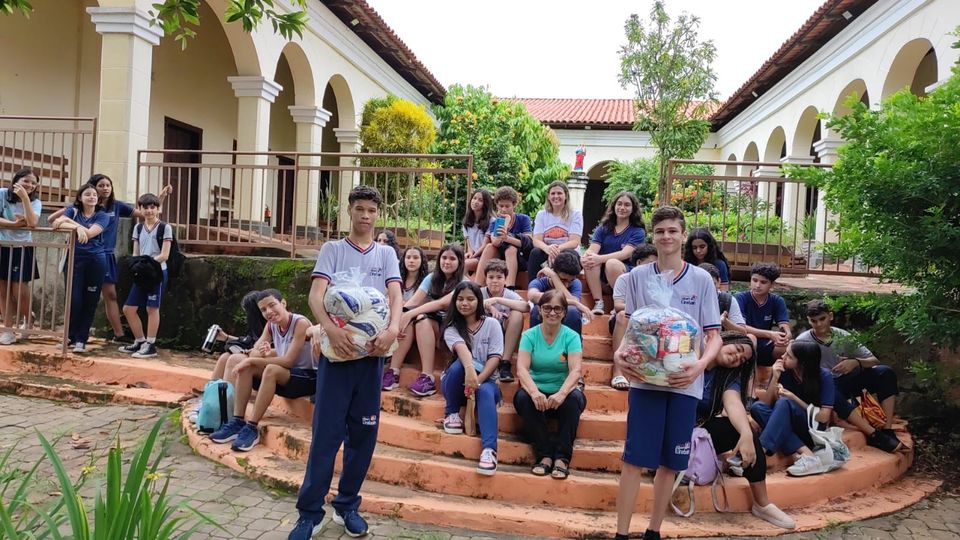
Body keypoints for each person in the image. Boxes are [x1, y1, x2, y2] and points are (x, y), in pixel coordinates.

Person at [289, 185, 401, 539]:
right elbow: (316, 295)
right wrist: (329, 330)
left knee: (364, 433)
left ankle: (347, 505)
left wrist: (393, 329)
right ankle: (310, 513)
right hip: (337, 359)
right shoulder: (333, 250)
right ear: (349, 211)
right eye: (360, 209)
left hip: (371, 359)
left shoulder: (385, 255)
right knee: (327, 434)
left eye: (371, 210)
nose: (366, 216)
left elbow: (396, 296)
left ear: (377, 214)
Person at [612, 205, 721, 540]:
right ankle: (621, 534)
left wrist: (700, 366)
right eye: (660, 231)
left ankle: (653, 531)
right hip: (646, 383)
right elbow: (629, 328)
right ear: (652, 236)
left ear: (683, 234)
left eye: (673, 230)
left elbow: (713, 335)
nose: (666, 237)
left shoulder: (701, 279)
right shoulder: (636, 278)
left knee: (671, 462)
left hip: (684, 384)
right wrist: (620, 357)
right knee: (634, 459)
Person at [47, 174, 172, 343]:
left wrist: (161, 197)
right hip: (80, 255)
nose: (105, 188)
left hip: (105, 255)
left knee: (110, 294)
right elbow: (53, 219)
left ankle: (118, 334)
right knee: (77, 297)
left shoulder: (116, 206)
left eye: (108, 185)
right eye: (101, 185)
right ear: (91, 189)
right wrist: (75, 226)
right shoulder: (78, 207)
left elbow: (146, 213)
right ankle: (72, 335)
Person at [699, 332, 795, 529]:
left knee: (744, 432)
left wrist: (746, 434)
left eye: (742, 360)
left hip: (696, 433)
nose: (737, 358)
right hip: (670, 428)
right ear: (724, 341)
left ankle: (762, 504)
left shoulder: (726, 377)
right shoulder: (693, 354)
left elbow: (733, 402)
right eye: (738, 350)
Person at [210, 289, 315, 452]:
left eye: (272, 305)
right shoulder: (271, 325)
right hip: (287, 376)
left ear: (284, 303)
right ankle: (237, 421)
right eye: (264, 310)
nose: (269, 312)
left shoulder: (299, 323)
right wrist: (262, 353)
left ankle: (252, 427)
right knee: (245, 364)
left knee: (268, 369)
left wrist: (255, 358)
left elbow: (288, 361)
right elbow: (255, 350)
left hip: (308, 377)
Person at [796, 299, 903, 452]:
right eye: (814, 321)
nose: (819, 324)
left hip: (846, 382)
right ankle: (873, 435)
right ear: (808, 321)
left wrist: (855, 362)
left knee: (885, 372)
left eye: (822, 319)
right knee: (830, 390)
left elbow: (873, 360)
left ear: (830, 316)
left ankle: (887, 429)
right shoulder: (803, 341)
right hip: (822, 389)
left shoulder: (843, 336)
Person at [514, 290, 586, 480]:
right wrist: (534, 392)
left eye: (557, 309)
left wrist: (562, 393)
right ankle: (545, 455)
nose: (552, 313)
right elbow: (521, 369)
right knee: (523, 398)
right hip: (537, 393)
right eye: (547, 308)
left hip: (562, 393)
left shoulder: (571, 336)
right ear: (539, 310)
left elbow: (576, 371)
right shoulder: (529, 335)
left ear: (564, 312)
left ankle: (562, 458)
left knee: (573, 400)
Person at [383, 244, 466, 397]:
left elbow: (441, 304)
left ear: (460, 262)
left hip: (453, 329)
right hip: (432, 326)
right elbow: (413, 301)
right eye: (444, 258)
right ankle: (393, 371)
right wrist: (398, 320)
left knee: (418, 317)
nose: (447, 262)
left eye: (452, 259)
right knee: (411, 319)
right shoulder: (431, 278)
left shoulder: (463, 283)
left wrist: (409, 313)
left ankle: (427, 376)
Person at [440, 281, 504, 475]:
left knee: (485, 390)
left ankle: (489, 450)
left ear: (479, 300)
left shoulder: (492, 324)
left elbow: (495, 357)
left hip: (486, 380)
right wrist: (469, 371)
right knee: (458, 366)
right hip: (458, 382)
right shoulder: (451, 328)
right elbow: (461, 349)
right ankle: (451, 413)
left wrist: (478, 380)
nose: (464, 303)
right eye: (460, 299)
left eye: (470, 299)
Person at [750, 341, 834, 477]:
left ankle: (759, 450)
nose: (782, 357)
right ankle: (807, 454)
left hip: (812, 428)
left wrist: (793, 398)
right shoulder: (785, 371)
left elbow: (824, 417)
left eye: (788, 356)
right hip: (787, 425)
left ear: (802, 362)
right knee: (756, 407)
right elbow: (765, 405)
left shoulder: (824, 376)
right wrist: (775, 378)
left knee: (784, 403)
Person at [50, 184, 110, 353]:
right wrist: (75, 225)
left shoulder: (103, 215)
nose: (92, 197)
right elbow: (55, 224)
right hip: (74, 260)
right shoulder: (73, 212)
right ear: (80, 198)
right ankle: (70, 336)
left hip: (96, 260)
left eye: (94, 195)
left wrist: (70, 223)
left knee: (90, 301)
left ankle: (81, 339)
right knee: (74, 299)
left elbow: (90, 234)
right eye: (88, 194)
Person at [117, 193, 171, 359]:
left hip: (156, 271)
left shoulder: (165, 228)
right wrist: (137, 264)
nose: (149, 211)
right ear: (140, 209)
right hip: (142, 272)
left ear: (158, 209)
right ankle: (140, 341)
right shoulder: (138, 228)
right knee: (129, 309)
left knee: (152, 308)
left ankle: (151, 344)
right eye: (145, 208)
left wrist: (148, 262)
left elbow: (164, 255)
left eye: (152, 207)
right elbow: (135, 252)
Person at [583, 192, 646, 315]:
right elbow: (593, 249)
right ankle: (598, 302)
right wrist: (587, 256)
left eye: (627, 205)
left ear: (633, 209)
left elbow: (626, 254)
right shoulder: (604, 228)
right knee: (590, 260)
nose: (622, 208)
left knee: (612, 263)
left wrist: (599, 259)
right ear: (614, 206)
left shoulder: (638, 231)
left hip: (625, 273)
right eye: (619, 204)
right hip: (602, 278)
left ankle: (619, 303)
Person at [0, 168, 42, 344]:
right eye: (26, 181)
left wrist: (25, 198)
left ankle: (28, 319)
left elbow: (32, 223)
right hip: (2, 245)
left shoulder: (35, 202)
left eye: (33, 183)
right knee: (2, 290)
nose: (30, 185)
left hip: (22, 247)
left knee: (20, 291)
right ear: (16, 180)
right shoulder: (2, 194)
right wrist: (15, 224)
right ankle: (8, 329)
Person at [608, 243, 658, 390]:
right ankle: (618, 371)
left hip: (649, 323)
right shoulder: (625, 279)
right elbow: (618, 305)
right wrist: (642, 309)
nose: (654, 267)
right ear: (639, 263)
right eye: (651, 263)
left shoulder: (658, 281)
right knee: (624, 315)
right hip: (624, 322)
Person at [735, 262, 791, 373]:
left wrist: (786, 335)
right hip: (743, 341)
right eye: (754, 280)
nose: (757, 285)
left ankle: (777, 377)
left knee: (787, 347)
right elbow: (740, 327)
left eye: (763, 282)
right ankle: (749, 377)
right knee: (751, 338)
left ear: (772, 284)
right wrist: (769, 334)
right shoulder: (740, 298)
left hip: (767, 344)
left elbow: (784, 325)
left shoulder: (777, 300)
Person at [480, 258, 529, 382]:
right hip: (484, 335)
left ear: (505, 279)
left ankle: (505, 364)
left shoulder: (508, 294)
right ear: (485, 279)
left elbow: (526, 306)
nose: (495, 281)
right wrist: (489, 307)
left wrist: (498, 300)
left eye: (499, 277)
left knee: (517, 314)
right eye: (491, 277)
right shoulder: (480, 293)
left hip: (505, 334)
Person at [475, 186, 532, 288]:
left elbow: (526, 243)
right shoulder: (496, 222)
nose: (504, 209)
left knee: (511, 249)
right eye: (501, 206)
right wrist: (504, 223)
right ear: (497, 205)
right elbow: (496, 242)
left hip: (520, 257)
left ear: (514, 205)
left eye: (507, 206)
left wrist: (507, 238)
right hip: (500, 258)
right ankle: (477, 285)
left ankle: (509, 286)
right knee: (489, 247)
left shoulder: (523, 219)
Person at [526, 249, 592, 335]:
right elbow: (533, 297)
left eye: (570, 280)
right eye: (563, 280)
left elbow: (573, 304)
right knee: (536, 310)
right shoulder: (540, 282)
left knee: (572, 312)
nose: (567, 285)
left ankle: (573, 347)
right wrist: (575, 303)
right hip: (544, 325)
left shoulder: (576, 283)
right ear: (553, 271)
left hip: (565, 330)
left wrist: (554, 277)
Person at [527, 180, 584, 278]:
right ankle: (534, 287)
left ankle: (566, 287)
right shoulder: (541, 215)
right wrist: (547, 249)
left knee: (570, 254)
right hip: (547, 251)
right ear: (548, 197)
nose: (556, 196)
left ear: (566, 196)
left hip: (567, 251)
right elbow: (536, 240)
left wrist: (556, 250)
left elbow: (575, 241)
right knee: (535, 253)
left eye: (559, 193)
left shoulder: (575, 214)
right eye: (553, 193)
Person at [210, 290, 268, 379]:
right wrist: (226, 337)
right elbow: (249, 341)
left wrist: (248, 352)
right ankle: (212, 390)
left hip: (266, 361)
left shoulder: (270, 325)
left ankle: (229, 393)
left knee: (234, 359)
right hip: (255, 355)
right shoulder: (258, 327)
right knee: (224, 357)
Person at [699, 262, 747, 333]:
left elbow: (743, 332)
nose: (707, 288)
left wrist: (725, 321)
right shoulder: (688, 299)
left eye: (712, 284)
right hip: (694, 340)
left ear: (719, 282)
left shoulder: (727, 300)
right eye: (703, 284)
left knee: (750, 339)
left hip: (722, 340)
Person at [462, 189, 494, 278]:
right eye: (474, 198)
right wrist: (469, 253)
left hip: (484, 257)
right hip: (474, 256)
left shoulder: (491, 221)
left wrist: (473, 257)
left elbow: (485, 245)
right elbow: (469, 245)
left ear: (485, 204)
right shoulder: (467, 222)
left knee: (463, 265)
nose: (476, 202)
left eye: (480, 200)